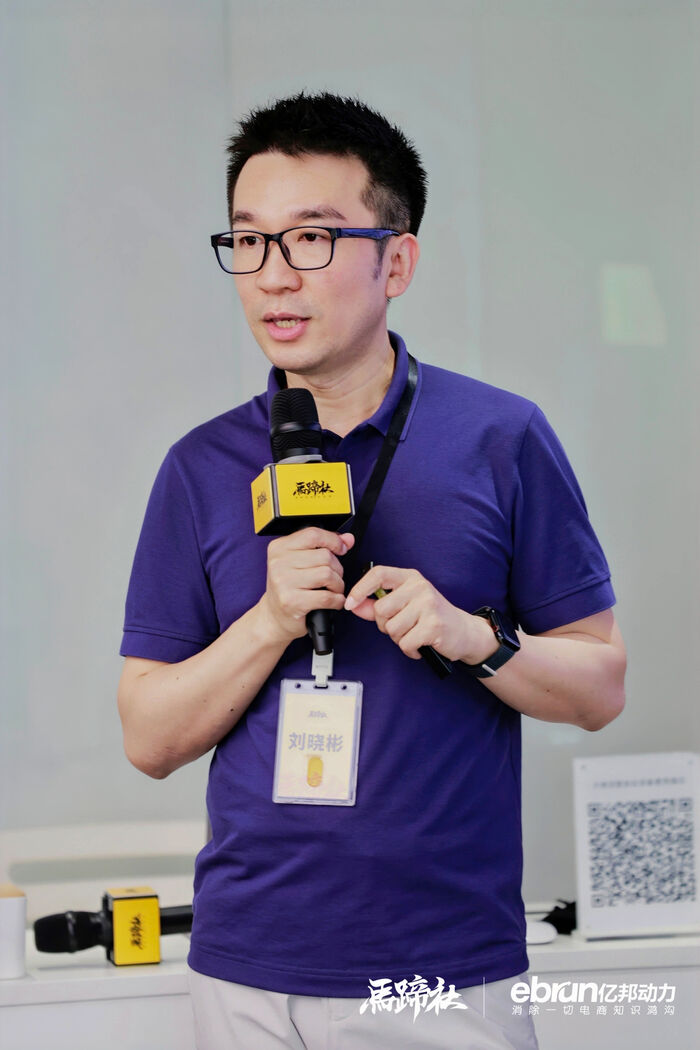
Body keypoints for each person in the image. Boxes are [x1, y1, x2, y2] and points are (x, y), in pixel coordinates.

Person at [118, 92, 626, 1050]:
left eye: (312, 239)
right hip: (244, 967)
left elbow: (601, 687)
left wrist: (476, 639)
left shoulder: (502, 439)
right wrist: (268, 621)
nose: (274, 276)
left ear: (397, 261)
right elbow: (148, 736)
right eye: (249, 241)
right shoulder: (199, 466)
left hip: (441, 972)